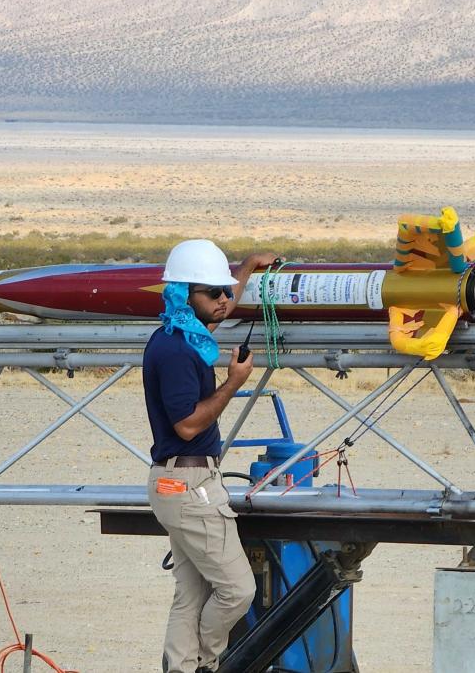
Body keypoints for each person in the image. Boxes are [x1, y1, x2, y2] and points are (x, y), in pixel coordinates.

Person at [144, 239, 280, 673]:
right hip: (190, 486)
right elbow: (187, 425)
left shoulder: (181, 335)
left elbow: (216, 310)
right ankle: (204, 661)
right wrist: (234, 382)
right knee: (237, 589)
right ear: (186, 296)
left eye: (226, 292)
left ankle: (183, 667)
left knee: (192, 592)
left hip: (175, 484)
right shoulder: (179, 352)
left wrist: (245, 268)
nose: (225, 301)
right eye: (215, 293)